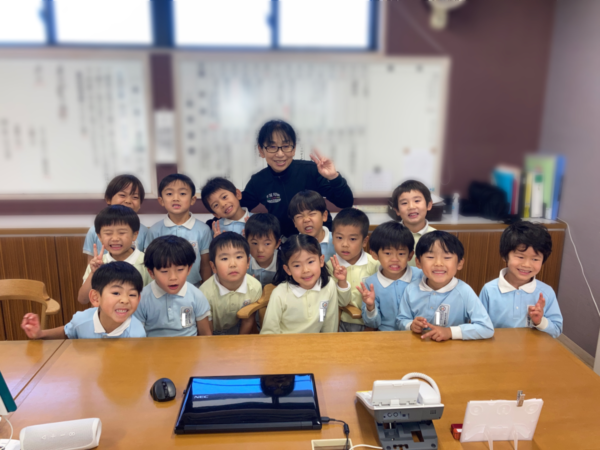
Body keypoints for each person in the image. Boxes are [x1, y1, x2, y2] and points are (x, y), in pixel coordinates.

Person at [240, 120, 354, 238]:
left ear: (294, 149)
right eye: (272, 147)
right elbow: (238, 208)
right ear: (261, 150)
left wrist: (334, 177)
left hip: (321, 241)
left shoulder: (311, 170)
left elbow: (345, 202)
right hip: (286, 244)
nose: (280, 154)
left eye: (286, 146)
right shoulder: (258, 181)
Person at [396, 231, 494, 341]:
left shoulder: (465, 291)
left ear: (460, 263)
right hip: (419, 346)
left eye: (447, 257)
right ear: (418, 262)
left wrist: (450, 332)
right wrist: (411, 325)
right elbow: (401, 320)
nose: (438, 263)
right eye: (430, 257)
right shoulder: (411, 289)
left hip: (452, 348)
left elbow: (486, 328)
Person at [480, 221, 563, 338]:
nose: (526, 265)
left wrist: (540, 322)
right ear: (504, 256)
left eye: (535, 259)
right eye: (520, 257)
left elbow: (557, 330)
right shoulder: (489, 290)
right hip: (496, 347)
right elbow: (479, 326)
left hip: (532, 348)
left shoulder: (546, 292)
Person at [22, 262, 146, 339]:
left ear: (139, 299)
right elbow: (67, 332)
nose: (125, 300)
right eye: (116, 293)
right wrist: (40, 334)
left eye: (132, 294)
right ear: (95, 298)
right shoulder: (81, 319)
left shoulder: (137, 333)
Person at [260, 235, 348, 334]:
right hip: (285, 343)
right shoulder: (280, 293)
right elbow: (269, 332)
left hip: (316, 343)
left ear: (321, 261)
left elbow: (330, 325)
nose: (305, 270)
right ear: (288, 269)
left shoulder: (328, 285)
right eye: (297, 265)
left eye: (310, 262)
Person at [135, 235, 212, 337]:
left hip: (190, 346)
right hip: (152, 346)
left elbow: (206, 335)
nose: (173, 277)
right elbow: (137, 337)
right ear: (151, 273)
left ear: (189, 269)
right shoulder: (141, 298)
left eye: (180, 270)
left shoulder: (196, 296)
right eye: (164, 271)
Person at [145, 174, 212, 286]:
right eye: (169, 194)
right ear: (161, 201)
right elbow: (150, 263)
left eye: (182, 193)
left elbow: (205, 265)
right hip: (162, 287)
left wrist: (206, 289)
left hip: (194, 286)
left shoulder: (203, 230)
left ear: (192, 200)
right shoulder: (154, 230)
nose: (175, 198)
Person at [78, 205, 151, 305]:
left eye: (122, 233)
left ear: (134, 235)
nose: (115, 238)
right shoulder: (97, 263)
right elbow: (83, 299)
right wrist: (94, 273)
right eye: (108, 233)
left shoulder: (147, 262)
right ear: (99, 237)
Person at [359, 221, 423, 331]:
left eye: (401, 254)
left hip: (418, 334)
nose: (395, 259)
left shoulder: (421, 276)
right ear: (374, 254)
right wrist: (370, 306)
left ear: (410, 255)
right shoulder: (371, 283)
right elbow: (373, 324)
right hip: (385, 335)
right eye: (388, 253)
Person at [326, 208, 379, 332]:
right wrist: (342, 282)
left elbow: (380, 299)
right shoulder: (330, 266)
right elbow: (341, 302)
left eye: (352, 239)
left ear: (364, 241)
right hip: (340, 323)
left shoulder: (375, 264)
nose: (345, 244)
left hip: (371, 322)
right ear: (332, 238)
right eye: (339, 238)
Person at [200, 233, 262, 335]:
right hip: (213, 334)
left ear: (248, 262)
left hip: (239, 332)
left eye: (238, 257)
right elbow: (206, 327)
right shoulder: (204, 293)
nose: (233, 264)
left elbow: (248, 319)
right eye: (224, 258)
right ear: (213, 267)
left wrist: (239, 341)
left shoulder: (255, 286)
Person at [83, 174, 148, 262]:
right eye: (122, 195)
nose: (128, 201)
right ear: (108, 199)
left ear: (140, 204)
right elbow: (91, 263)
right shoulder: (93, 231)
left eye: (135, 197)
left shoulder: (144, 232)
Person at [391, 180, 436, 266]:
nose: (411, 207)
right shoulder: (389, 236)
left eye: (417, 201)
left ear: (429, 205)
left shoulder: (438, 238)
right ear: (397, 210)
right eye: (404, 203)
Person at [288, 190, 336, 262]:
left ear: (324, 216)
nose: (306, 220)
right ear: (294, 222)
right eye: (299, 216)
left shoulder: (337, 241)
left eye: (312, 214)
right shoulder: (291, 247)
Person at [245, 213, 282, 287]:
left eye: (267, 244)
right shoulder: (244, 262)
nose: (260, 250)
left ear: (277, 243)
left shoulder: (283, 261)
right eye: (255, 243)